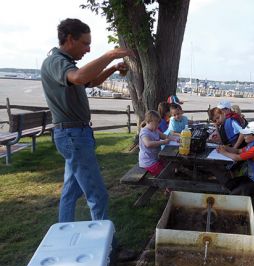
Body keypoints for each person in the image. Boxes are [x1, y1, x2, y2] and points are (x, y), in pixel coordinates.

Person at [41, 18, 134, 222]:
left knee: (70, 192)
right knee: (97, 195)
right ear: (70, 39)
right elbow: (79, 78)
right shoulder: (56, 62)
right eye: (85, 43)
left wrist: (113, 68)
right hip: (73, 136)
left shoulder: (67, 64)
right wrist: (110, 55)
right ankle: (109, 249)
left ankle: (63, 234)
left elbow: (91, 81)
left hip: (74, 135)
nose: (89, 49)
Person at [217, 121, 254, 196]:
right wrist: (226, 148)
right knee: (230, 184)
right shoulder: (252, 144)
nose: (244, 135)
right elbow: (238, 151)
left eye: (247, 134)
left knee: (234, 195)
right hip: (253, 178)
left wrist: (223, 152)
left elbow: (237, 158)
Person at [139, 110, 171, 176]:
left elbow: (164, 136)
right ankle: (166, 185)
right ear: (148, 121)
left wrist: (175, 139)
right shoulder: (144, 132)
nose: (158, 126)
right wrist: (163, 142)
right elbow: (148, 144)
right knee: (165, 173)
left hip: (156, 159)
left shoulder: (155, 130)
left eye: (158, 123)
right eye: (156, 124)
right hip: (148, 162)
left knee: (169, 164)